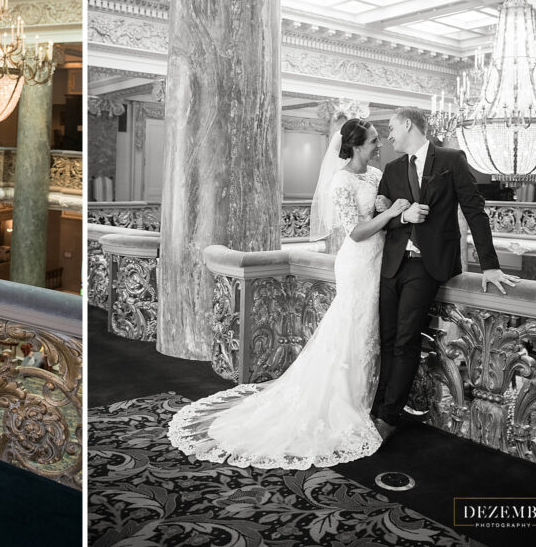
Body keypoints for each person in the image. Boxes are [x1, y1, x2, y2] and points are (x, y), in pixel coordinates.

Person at [168, 119, 409, 469]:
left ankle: (368, 398)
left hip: (380, 263)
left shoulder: (374, 174)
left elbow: (373, 212)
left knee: (371, 331)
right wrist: (388, 213)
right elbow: (356, 232)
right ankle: (345, 402)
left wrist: (383, 205)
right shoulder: (340, 181)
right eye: (373, 141)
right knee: (352, 330)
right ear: (357, 146)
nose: (379, 146)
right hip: (358, 263)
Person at [372, 107, 518, 442]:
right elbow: (379, 218)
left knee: (407, 339)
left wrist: (490, 264)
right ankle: (376, 406)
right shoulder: (392, 169)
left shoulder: (451, 159)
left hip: (428, 265)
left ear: (408, 124)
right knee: (386, 339)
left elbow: (474, 210)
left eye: (392, 128)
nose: (389, 135)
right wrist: (404, 216)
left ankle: (388, 417)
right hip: (392, 262)